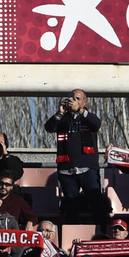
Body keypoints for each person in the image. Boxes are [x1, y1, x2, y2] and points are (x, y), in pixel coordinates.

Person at [45, 89, 107, 227]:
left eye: (78, 99)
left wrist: (79, 110)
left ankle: (102, 234)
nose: (74, 101)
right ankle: (73, 236)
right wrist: (60, 112)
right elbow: (49, 128)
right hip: (66, 170)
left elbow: (97, 123)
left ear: (85, 101)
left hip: (87, 168)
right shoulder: (63, 118)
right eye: (72, 98)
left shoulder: (87, 117)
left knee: (96, 204)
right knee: (71, 208)